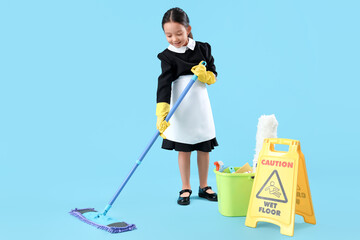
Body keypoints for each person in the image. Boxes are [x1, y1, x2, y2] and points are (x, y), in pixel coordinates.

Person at [156, 7, 219, 206]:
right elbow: (164, 84)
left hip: (200, 106)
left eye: (179, 33)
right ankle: (186, 187)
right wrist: (162, 113)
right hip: (180, 107)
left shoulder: (203, 48)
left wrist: (206, 75)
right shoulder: (167, 56)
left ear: (188, 29)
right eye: (169, 35)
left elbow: (214, 74)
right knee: (184, 149)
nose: (174, 39)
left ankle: (204, 185)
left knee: (204, 146)